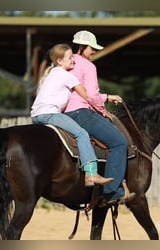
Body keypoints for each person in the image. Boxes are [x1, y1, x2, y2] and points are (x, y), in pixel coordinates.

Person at [64, 30, 135, 205]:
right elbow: (92, 96)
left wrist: (107, 97)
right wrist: (104, 112)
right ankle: (111, 192)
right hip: (81, 112)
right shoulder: (88, 66)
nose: (94, 51)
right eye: (92, 48)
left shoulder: (66, 63)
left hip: (63, 113)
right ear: (82, 47)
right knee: (119, 142)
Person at [31, 44, 113, 187]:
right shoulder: (67, 76)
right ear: (59, 61)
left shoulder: (53, 73)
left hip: (36, 115)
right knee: (81, 134)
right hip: (50, 114)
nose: (73, 60)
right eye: (70, 58)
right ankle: (91, 174)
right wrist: (107, 99)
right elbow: (88, 96)